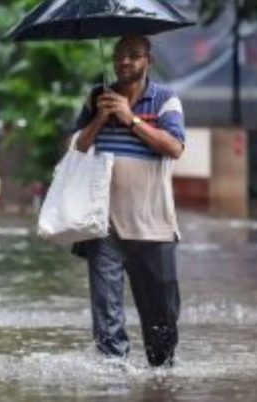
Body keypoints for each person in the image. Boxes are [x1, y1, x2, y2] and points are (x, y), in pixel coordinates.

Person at [72, 35, 185, 367]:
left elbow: (175, 147)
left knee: (161, 326)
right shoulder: (98, 98)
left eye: (133, 56)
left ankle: (161, 382)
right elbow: (77, 148)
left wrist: (130, 119)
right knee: (106, 318)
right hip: (102, 225)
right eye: (119, 55)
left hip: (154, 226)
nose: (124, 62)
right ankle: (113, 380)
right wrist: (100, 119)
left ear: (148, 59)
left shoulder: (166, 99)